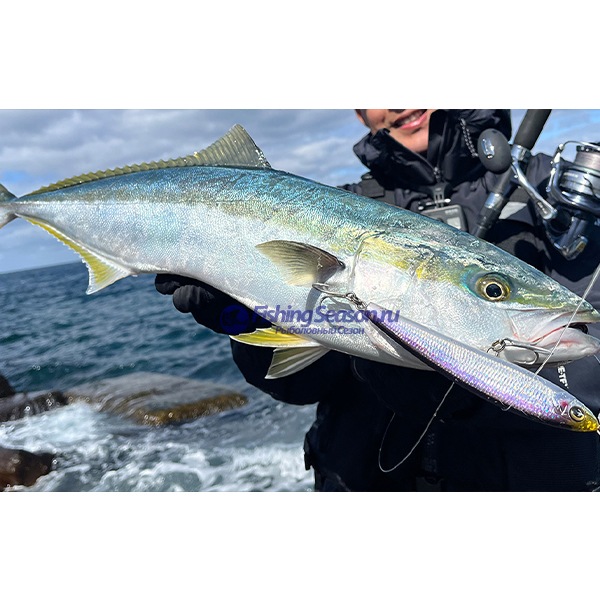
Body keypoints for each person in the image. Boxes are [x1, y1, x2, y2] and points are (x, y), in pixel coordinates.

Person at [156, 109, 600, 491]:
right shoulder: (332, 206)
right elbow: (298, 385)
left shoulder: (551, 189)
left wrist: (455, 390)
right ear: (359, 112)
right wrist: (245, 321)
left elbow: (588, 347)